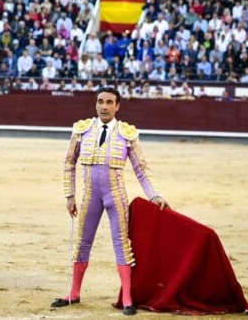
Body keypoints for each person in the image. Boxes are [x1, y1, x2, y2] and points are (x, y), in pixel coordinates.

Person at [51, 86, 169, 315]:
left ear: (117, 106)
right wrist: (70, 195)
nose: (103, 106)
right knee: (82, 244)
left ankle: (127, 298)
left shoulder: (127, 133)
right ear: (96, 104)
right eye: (100, 102)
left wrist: (153, 194)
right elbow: (68, 163)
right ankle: (73, 293)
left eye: (109, 102)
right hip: (89, 196)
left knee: (122, 245)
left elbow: (141, 169)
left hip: (116, 196)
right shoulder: (82, 130)